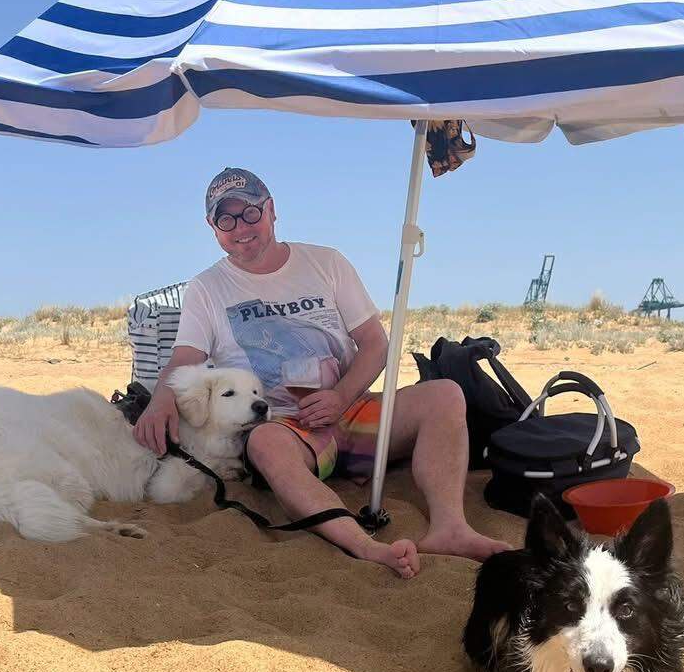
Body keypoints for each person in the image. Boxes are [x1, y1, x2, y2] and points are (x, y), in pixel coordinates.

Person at [133, 167, 510, 578]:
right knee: (264, 444)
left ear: (272, 210)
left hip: (351, 408)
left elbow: (375, 344)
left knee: (446, 394)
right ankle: (364, 545)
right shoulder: (207, 288)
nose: (240, 228)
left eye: (250, 213)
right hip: (287, 427)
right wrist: (159, 401)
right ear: (213, 228)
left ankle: (450, 528)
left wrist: (341, 397)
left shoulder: (326, 263)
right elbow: (186, 356)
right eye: (226, 219)